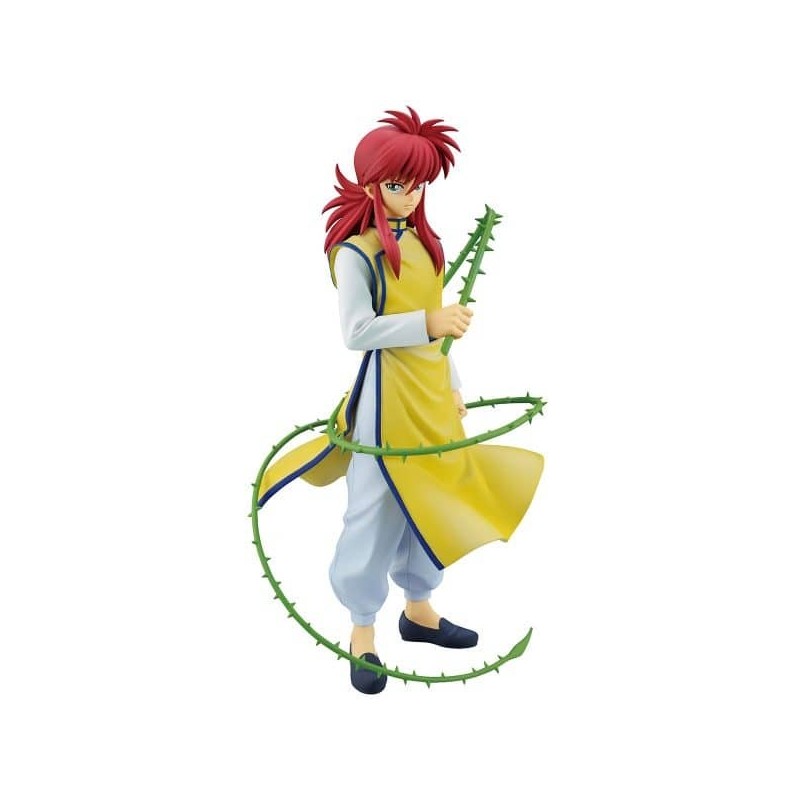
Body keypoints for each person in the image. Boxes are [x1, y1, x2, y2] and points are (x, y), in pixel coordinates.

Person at [258, 108, 544, 694]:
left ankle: (419, 610)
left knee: (433, 499)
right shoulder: (356, 253)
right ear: (370, 185)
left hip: (431, 397)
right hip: (385, 405)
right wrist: (428, 321)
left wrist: (453, 383)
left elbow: (436, 334)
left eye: (418, 185)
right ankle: (362, 630)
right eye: (397, 184)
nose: (410, 195)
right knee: (376, 507)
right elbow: (357, 332)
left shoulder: (425, 246)